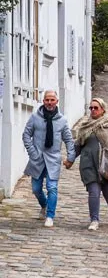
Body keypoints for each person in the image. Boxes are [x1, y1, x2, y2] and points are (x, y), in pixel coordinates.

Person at [22, 90, 76, 228]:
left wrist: (71, 157)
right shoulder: (35, 117)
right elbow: (26, 135)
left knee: (52, 188)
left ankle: (50, 216)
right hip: (37, 158)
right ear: (43, 101)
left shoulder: (62, 120)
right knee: (36, 189)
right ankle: (44, 205)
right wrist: (32, 152)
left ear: (57, 101)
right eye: (47, 100)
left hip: (53, 159)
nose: (50, 102)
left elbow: (69, 140)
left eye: (52, 100)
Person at [69, 97, 108, 231]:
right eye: (91, 108)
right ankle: (94, 219)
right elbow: (78, 145)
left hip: (106, 164)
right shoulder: (85, 125)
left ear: (102, 109)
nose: (93, 110)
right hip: (89, 164)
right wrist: (71, 159)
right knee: (94, 192)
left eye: (95, 108)